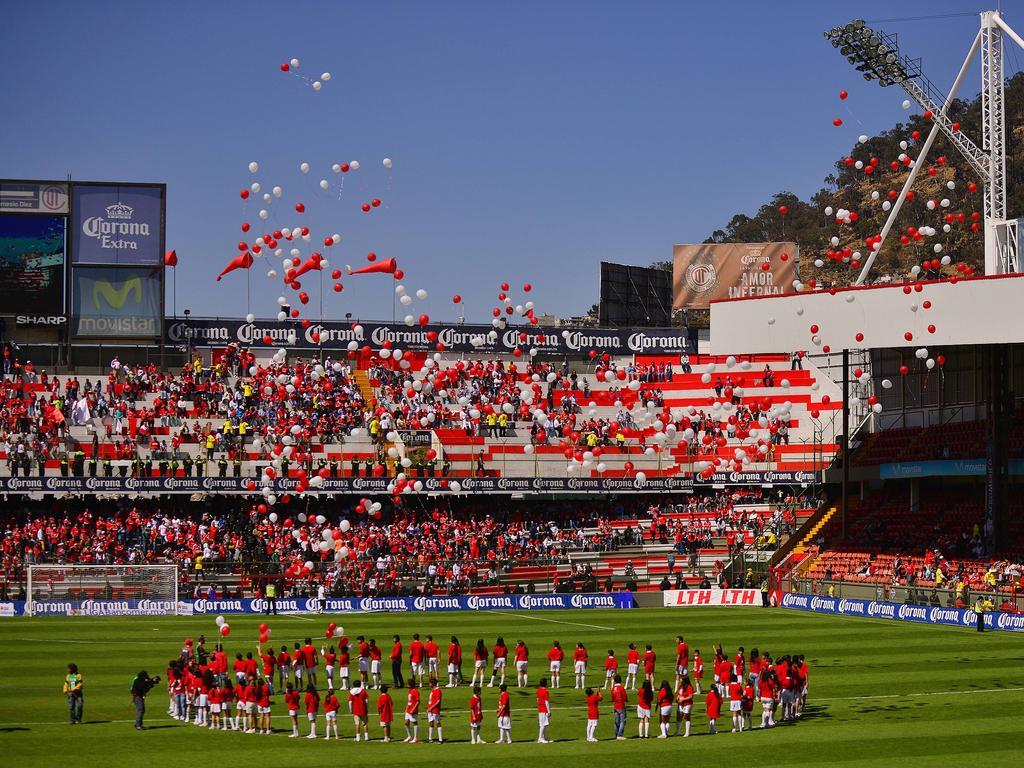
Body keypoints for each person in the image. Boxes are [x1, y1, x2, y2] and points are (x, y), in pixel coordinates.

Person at [609, 673, 628, 740]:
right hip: (621, 706)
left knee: (617, 721)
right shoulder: (621, 688)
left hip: (615, 706)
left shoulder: (613, 688)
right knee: (623, 721)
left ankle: (617, 734)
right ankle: (620, 735)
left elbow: (612, 698)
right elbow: (625, 697)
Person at [427, 678, 444, 742]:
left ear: (432, 684)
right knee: (431, 723)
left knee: (438, 723)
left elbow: (438, 701)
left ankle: (440, 739)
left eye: (430, 683)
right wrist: (428, 709)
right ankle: (430, 738)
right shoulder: (433, 690)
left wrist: (430, 708)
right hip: (430, 710)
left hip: (435, 710)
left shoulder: (438, 691)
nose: (429, 684)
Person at [536, 677, 552, 743]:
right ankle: (540, 738)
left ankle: (544, 737)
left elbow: (537, 700)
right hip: (544, 710)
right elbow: (546, 702)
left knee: (544, 724)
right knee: (543, 725)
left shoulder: (538, 690)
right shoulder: (546, 691)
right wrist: (549, 711)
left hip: (540, 709)